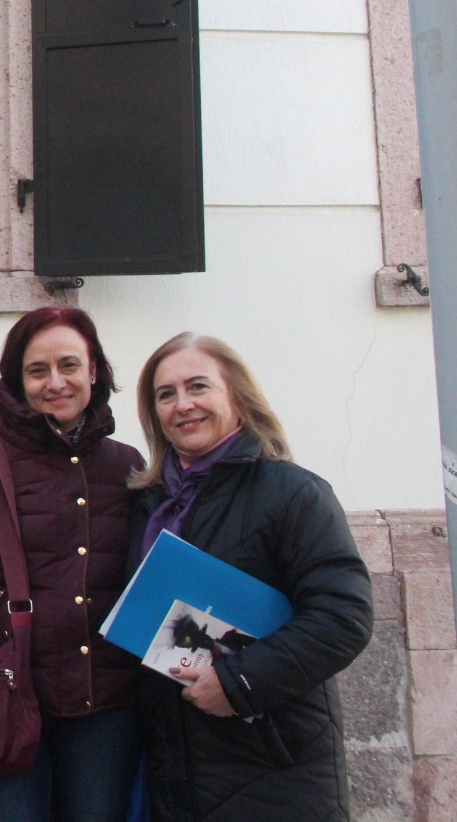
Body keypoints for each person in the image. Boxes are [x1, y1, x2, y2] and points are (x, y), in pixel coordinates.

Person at [130, 333, 372, 822]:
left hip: (272, 763)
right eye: (166, 394)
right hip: (176, 770)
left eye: (198, 387)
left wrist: (239, 682)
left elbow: (344, 617)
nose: (183, 405)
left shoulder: (293, 492)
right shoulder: (147, 504)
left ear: (236, 395)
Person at [0, 307, 143, 822]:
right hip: (6, 701)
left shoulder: (125, 465)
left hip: (103, 708)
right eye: (38, 371)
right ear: (16, 381)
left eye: (69, 365)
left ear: (94, 372)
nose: (55, 382)